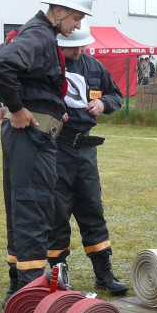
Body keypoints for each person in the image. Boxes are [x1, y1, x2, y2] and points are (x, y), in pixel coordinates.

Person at [0, 0, 92, 306]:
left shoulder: (35, 33)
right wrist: (13, 107)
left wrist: (3, 104)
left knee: (20, 209)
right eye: (76, 18)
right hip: (32, 139)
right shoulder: (40, 35)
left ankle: (17, 290)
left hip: (27, 136)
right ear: (57, 11)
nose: (77, 25)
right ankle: (31, 296)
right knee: (33, 211)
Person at [47, 19, 129, 295]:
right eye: (72, 49)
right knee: (57, 212)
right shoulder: (48, 67)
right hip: (56, 149)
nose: (78, 52)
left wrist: (103, 103)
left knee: (92, 209)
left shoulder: (94, 67)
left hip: (85, 151)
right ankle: (57, 276)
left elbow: (116, 95)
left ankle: (103, 275)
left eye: (82, 47)